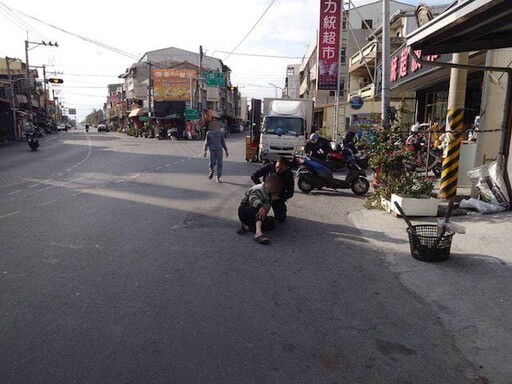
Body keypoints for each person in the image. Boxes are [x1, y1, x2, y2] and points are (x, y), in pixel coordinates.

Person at [238, 173, 283, 244]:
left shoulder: (270, 191)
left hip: (254, 214)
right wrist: (260, 206)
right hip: (245, 210)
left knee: (271, 225)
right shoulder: (258, 189)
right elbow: (253, 199)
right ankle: (258, 234)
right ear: (269, 183)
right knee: (259, 211)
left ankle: (247, 227)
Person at [251, 157, 294, 222]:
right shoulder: (269, 167)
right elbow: (254, 176)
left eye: (281, 169)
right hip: (264, 193)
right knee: (256, 215)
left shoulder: (288, 175)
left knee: (281, 218)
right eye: (277, 167)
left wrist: (279, 197)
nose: (277, 170)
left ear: (286, 168)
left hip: (276, 197)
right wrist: (261, 186)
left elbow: (290, 193)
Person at [204, 111, 229, 183]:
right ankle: (211, 171)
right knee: (212, 163)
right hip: (212, 149)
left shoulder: (220, 133)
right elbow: (206, 142)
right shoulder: (209, 133)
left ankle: (218, 177)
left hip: (219, 149)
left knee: (220, 164)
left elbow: (223, 142)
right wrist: (205, 150)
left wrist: (226, 150)